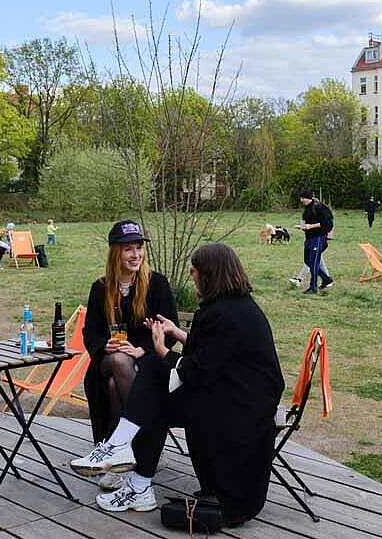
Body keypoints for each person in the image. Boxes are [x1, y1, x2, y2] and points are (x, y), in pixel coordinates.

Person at [70, 243, 284, 526]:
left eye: (194, 271)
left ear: (209, 274)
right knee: (154, 388)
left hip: (241, 407)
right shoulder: (234, 306)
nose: (192, 276)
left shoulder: (224, 314)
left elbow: (198, 371)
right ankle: (133, 472)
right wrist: (178, 334)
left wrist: (162, 350)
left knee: (155, 374)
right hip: (231, 394)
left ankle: (129, 463)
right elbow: (213, 355)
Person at [79, 220, 178, 491]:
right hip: (109, 360)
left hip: (146, 361)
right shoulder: (100, 288)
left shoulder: (156, 283)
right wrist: (104, 346)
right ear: (115, 254)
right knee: (119, 362)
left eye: (138, 248)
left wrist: (142, 349)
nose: (136, 255)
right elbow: (91, 332)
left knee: (115, 385)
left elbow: (168, 327)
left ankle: (119, 453)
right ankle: (143, 443)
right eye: (128, 249)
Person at [296, 191, 334, 295]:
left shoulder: (320, 207)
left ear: (308, 198)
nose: (301, 200)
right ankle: (326, 279)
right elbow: (305, 222)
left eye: (303, 198)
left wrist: (310, 226)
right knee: (308, 261)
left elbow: (326, 223)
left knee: (314, 262)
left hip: (318, 238)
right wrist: (302, 227)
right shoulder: (306, 209)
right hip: (308, 238)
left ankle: (313, 287)